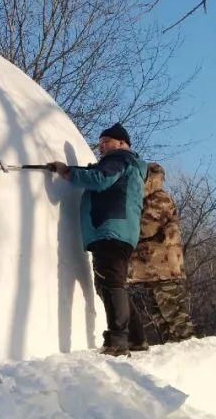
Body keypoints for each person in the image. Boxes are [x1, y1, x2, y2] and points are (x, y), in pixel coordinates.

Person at [50, 123, 147, 356]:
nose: (102, 146)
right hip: (116, 230)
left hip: (110, 229)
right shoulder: (126, 163)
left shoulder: (119, 159)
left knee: (111, 284)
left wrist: (67, 172)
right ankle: (135, 337)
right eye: (100, 143)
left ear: (122, 143)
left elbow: (100, 179)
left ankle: (118, 341)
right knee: (111, 284)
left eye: (107, 141)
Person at [127, 162, 194, 345]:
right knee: (159, 309)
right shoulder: (149, 198)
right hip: (155, 265)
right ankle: (174, 346)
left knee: (172, 310)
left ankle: (187, 346)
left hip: (163, 265)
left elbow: (147, 227)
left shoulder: (158, 199)